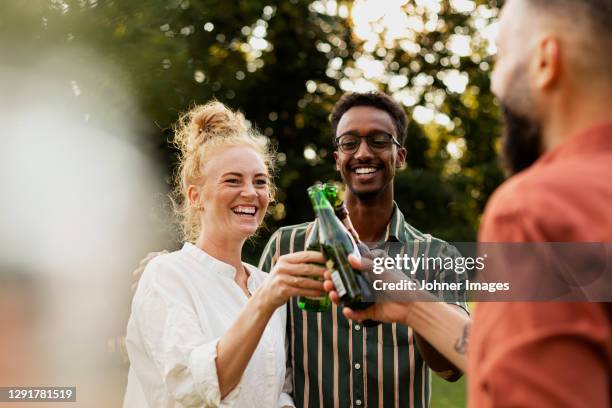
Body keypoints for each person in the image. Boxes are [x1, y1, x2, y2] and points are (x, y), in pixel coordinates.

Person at [327, 0, 612, 406]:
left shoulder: (538, 210)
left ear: (546, 61)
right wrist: (413, 305)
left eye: (502, 56)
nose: (496, 84)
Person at [258, 91, 469, 407]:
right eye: (349, 143)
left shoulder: (438, 258)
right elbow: (257, 350)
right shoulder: (286, 247)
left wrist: (412, 301)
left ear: (400, 156)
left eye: (380, 141)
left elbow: (451, 369)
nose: (363, 153)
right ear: (337, 158)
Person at [123, 101, 327, 407]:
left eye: (260, 182)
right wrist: (266, 300)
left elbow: (276, 388)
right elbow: (193, 389)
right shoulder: (166, 275)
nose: (250, 192)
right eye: (233, 180)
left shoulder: (263, 283)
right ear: (196, 196)